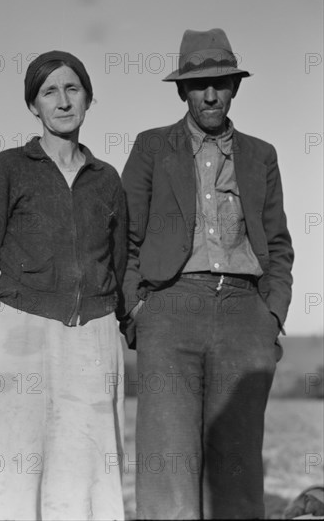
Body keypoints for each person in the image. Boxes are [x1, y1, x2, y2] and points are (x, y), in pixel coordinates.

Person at [120, 29, 294, 519]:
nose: (211, 95)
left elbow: (278, 245)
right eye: (199, 85)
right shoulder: (153, 147)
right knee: (167, 467)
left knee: (237, 470)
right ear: (182, 91)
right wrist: (138, 310)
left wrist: (271, 315)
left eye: (221, 82)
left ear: (235, 86)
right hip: (170, 309)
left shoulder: (262, 155)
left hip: (245, 314)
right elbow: (126, 238)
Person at [0, 51, 127, 521]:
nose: (63, 101)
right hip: (20, 338)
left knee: (88, 471)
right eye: (49, 91)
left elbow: (120, 266)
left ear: (89, 98)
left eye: (73, 88)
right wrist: (7, 327)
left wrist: (114, 323)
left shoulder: (107, 181)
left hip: (92, 336)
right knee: (15, 472)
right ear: (33, 105)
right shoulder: (11, 168)